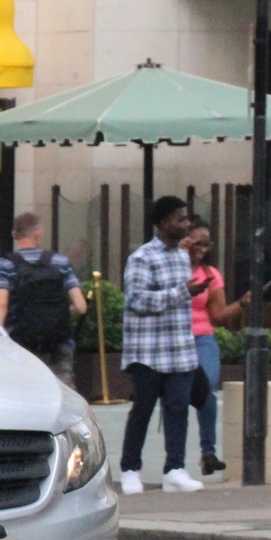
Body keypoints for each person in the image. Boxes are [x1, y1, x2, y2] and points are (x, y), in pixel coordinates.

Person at [116, 195, 204, 495]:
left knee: (178, 408)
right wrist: (182, 292)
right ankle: (130, 470)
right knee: (143, 409)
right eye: (180, 218)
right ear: (164, 222)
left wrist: (188, 292)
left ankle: (175, 469)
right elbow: (136, 300)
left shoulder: (182, 256)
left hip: (180, 348)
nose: (187, 223)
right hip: (149, 351)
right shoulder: (142, 258)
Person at [0, 212, 87, 385]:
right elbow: (80, 306)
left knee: (23, 391)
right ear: (39, 232)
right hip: (58, 342)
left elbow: (1, 304)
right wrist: (58, 315)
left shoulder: (5, 264)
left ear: (14, 234)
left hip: (19, 343)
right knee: (64, 395)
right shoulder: (60, 262)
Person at [184, 220, 244, 476]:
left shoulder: (210, 274)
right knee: (176, 395)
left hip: (202, 338)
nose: (202, 249)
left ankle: (208, 453)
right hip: (175, 338)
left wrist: (242, 303)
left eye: (206, 244)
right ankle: (174, 459)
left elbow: (218, 315)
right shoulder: (172, 268)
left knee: (206, 387)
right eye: (196, 243)